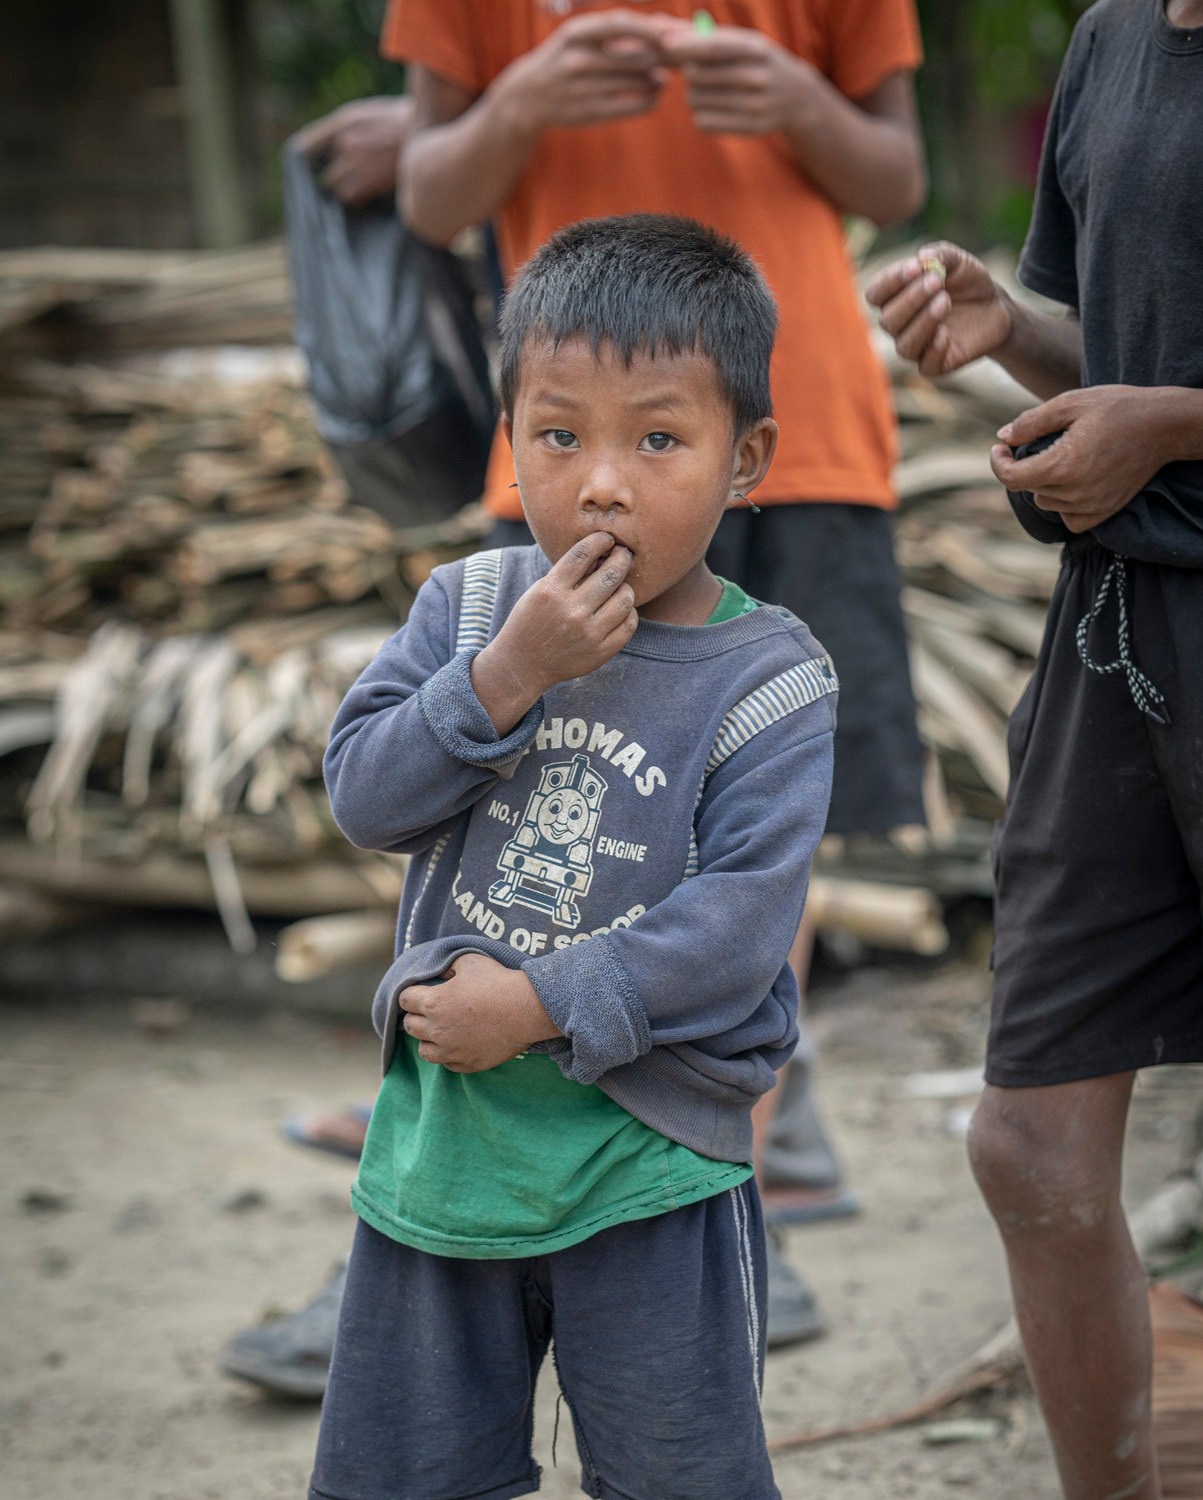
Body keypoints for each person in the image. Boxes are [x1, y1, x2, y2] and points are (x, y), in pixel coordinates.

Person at [191, 213, 836, 1500]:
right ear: (509, 445)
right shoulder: (469, 602)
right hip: (452, 1151)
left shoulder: (771, 682)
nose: (602, 484)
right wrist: (509, 672)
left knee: (666, 1499)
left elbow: (736, 927)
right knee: (427, 1493)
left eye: (658, 440)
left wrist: (539, 1002)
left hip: (648, 1155)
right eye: (560, 436)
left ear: (750, 456)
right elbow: (366, 796)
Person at [220, 0, 929, 1380]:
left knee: (750, 850)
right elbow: (432, 188)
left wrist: (794, 99)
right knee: (518, 807)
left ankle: (735, 1197)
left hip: (807, 432)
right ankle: (435, 1203)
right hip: (553, 440)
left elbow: (897, 179)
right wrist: (528, 94)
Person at [866, 0, 1203, 1500]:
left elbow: (1163, 394)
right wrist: (1017, 330)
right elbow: (1111, 350)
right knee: (1032, 1135)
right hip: (1120, 632)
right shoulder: (1113, 39)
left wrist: (1178, 421)